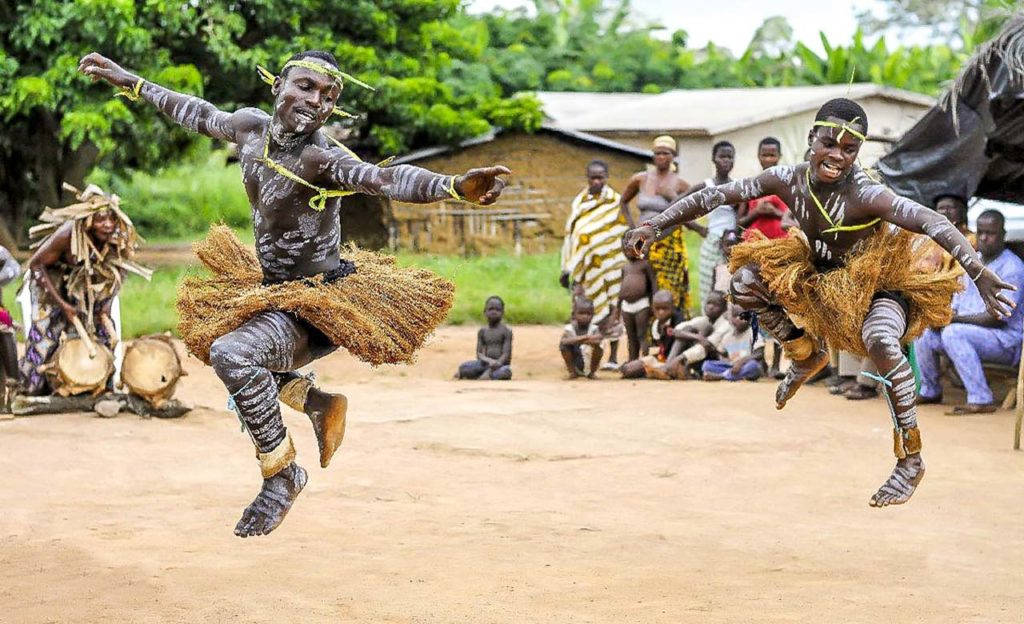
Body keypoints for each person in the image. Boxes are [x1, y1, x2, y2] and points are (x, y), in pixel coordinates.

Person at [79, 50, 510, 537]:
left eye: (329, 96)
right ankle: (316, 402)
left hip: (318, 305)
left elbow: (385, 177)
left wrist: (453, 186)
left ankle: (282, 474)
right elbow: (196, 110)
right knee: (211, 340)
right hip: (271, 291)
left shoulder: (322, 158)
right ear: (277, 85)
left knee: (232, 353)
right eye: (306, 86)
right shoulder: (248, 129)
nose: (316, 101)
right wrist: (130, 81)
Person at [623, 97, 1016, 507]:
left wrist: (978, 272)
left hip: (878, 282)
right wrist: (656, 224)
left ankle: (910, 459)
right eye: (829, 143)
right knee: (743, 283)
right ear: (812, 138)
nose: (837, 156)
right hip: (818, 274)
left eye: (849, 150)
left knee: (881, 341)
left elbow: (930, 221)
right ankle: (804, 352)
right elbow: (716, 196)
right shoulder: (787, 179)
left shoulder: (866, 192)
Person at [18, 183, 151, 396]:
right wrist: (62, 305)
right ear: (88, 219)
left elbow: (119, 271)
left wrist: (105, 305)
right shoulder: (68, 234)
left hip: (88, 284)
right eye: (100, 219)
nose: (107, 224)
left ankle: (100, 384)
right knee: (46, 337)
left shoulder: (117, 237)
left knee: (103, 331)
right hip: (49, 284)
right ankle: (31, 382)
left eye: (111, 218)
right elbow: (36, 265)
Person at [916, 210, 1024, 413]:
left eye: (990, 233)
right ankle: (930, 390)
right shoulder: (972, 261)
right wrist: (942, 318)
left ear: (1003, 234)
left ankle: (981, 398)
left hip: (1006, 341)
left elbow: (998, 318)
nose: (984, 238)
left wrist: (953, 320)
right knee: (924, 331)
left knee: (953, 333)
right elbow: (956, 304)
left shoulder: (1013, 267)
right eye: (980, 232)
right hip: (968, 332)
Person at [560, 160, 628, 370]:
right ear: (587, 178)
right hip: (586, 272)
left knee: (612, 312)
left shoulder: (616, 201)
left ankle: (613, 357)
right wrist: (566, 268)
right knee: (583, 311)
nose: (596, 181)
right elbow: (571, 235)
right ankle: (581, 355)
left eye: (601, 177)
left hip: (611, 267)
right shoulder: (580, 202)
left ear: (607, 177)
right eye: (593, 177)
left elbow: (620, 233)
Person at [619, 136, 692, 312]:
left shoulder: (680, 184)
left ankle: (669, 330)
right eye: (657, 153)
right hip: (642, 243)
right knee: (644, 288)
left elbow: (690, 210)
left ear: (673, 156)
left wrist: (671, 196)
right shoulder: (640, 179)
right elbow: (623, 202)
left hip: (668, 243)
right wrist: (631, 227)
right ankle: (647, 332)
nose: (661, 157)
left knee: (668, 289)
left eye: (665, 153)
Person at [683, 141, 738, 308]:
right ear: (714, 159)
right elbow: (680, 206)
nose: (726, 161)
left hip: (731, 244)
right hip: (712, 242)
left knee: (727, 285)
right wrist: (698, 228)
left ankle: (727, 325)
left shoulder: (736, 185)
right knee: (708, 286)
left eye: (730, 157)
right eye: (722, 156)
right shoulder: (706, 186)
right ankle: (708, 323)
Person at [661, 290, 731, 379]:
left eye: (716, 305)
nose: (710, 307)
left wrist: (680, 358)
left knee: (704, 330)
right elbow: (674, 331)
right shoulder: (702, 320)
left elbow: (707, 345)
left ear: (724, 309)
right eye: (709, 303)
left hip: (713, 359)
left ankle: (668, 367)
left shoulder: (725, 325)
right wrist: (697, 337)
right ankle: (669, 366)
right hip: (696, 356)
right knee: (689, 329)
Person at [738, 137, 795, 241]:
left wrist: (775, 212)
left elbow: (797, 220)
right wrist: (757, 212)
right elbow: (739, 223)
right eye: (764, 155)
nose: (768, 159)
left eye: (772, 155)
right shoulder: (749, 186)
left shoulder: (789, 185)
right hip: (754, 245)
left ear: (779, 156)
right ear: (758, 156)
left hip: (783, 244)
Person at [620, 289, 685, 379]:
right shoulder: (655, 325)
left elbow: (680, 344)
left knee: (674, 369)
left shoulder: (679, 321)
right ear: (652, 308)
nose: (661, 312)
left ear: (673, 307)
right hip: (663, 358)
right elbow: (661, 347)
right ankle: (651, 371)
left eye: (665, 308)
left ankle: (656, 372)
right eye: (657, 309)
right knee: (629, 369)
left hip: (677, 360)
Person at [701, 305, 765, 382]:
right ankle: (731, 375)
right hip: (731, 366)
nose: (738, 319)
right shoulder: (727, 337)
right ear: (730, 318)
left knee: (754, 367)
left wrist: (741, 362)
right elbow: (723, 354)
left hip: (746, 365)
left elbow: (759, 354)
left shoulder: (753, 334)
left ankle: (721, 376)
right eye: (735, 316)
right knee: (706, 365)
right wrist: (713, 350)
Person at [916, 193, 977, 272]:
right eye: (941, 208)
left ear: (962, 211)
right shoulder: (926, 238)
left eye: (950, 207)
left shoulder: (971, 238)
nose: (945, 211)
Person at [456, 296, 512, 380]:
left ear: (503, 312)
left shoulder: (506, 331)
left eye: (497, 310)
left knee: (505, 372)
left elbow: (506, 354)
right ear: (484, 312)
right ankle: (487, 374)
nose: (494, 312)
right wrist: (489, 361)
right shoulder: (482, 331)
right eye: (491, 309)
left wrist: (498, 363)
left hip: (500, 365)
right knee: (463, 367)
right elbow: (479, 353)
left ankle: (487, 375)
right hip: (485, 364)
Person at [618, 254, 657, 362]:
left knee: (642, 334)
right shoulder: (625, 267)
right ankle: (632, 361)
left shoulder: (645, 264)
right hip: (626, 306)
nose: (629, 251)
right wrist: (618, 307)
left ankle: (645, 361)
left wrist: (654, 302)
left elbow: (653, 283)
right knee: (631, 336)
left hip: (642, 303)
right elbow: (622, 285)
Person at [559, 297, 603, 379]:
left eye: (588, 314)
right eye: (581, 313)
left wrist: (576, 340)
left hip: (589, 364)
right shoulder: (569, 328)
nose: (585, 316)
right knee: (563, 346)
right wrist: (586, 337)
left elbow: (598, 340)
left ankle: (592, 372)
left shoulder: (594, 328)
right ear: (574, 314)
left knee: (599, 347)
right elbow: (564, 341)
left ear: (593, 315)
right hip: (575, 363)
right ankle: (572, 372)